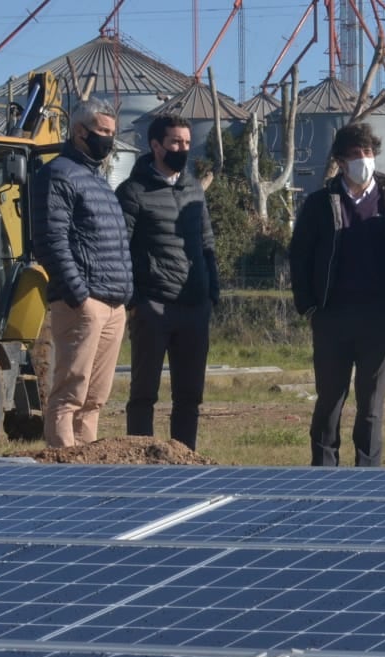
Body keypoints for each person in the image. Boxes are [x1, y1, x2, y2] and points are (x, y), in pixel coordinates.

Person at [288, 122, 385, 466]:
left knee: (371, 402)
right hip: (332, 316)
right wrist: (309, 307)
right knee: (330, 398)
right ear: (341, 162)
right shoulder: (319, 204)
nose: (365, 160)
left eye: (369, 153)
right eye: (356, 155)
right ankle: (325, 468)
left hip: (383, 316)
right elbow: (299, 256)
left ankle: (367, 471)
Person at [30, 97, 133, 448]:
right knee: (70, 393)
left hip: (113, 303)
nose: (108, 139)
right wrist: (79, 295)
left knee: (94, 399)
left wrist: (124, 295)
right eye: (102, 132)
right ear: (79, 132)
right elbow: (50, 239)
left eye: (111, 133)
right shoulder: (57, 175)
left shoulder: (98, 180)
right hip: (83, 303)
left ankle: (87, 468)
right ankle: (62, 469)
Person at [116, 114, 219, 451]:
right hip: (153, 305)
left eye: (187, 143)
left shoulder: (193, 189)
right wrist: (134, 299)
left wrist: (211, 293)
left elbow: (206, 243)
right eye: (176, 142)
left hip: (194, 306)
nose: (182, 149)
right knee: (144, 392)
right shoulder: (132, 192)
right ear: (156, 145)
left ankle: (184, 456)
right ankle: (140, 461)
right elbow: (121, 248)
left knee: (189, 395)